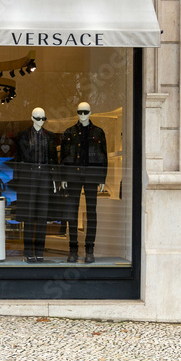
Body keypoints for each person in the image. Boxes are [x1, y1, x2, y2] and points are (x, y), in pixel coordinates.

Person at [60, 102, 107, 264]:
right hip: (73, 175)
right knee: (72, 212)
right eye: (79, 112)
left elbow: (103, 156)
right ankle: (72, 249)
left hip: (92, 176)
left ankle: (89, 250)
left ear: (90, 112)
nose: (82, 115)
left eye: (85, 112)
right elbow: (64, 156)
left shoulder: (99, 133)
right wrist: (63, 177)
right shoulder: (69, 132)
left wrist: (102, 178)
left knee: (91, 213)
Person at [15, 107, 57, 263]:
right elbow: (18, 160)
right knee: (29, 215)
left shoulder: (50, 137)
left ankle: (39, 251)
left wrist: (55, 180)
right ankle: (28, 252)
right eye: (38, 118)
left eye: (43, 119)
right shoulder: (23, 136)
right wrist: (18, 182)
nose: (41, 122)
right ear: (32, 118)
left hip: (45, 175)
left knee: (42, 216)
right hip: (29, 177)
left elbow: (54, 160)